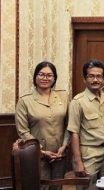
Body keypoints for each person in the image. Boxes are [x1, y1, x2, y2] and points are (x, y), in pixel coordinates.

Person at [15, 61, 69, 190]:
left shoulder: (63, 96)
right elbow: (23, 131)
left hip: (60, 155)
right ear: (35, 77)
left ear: (54, 78)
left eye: (49, 75)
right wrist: (42, 152)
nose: (45, 78)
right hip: (37, 156)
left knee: (57, 187)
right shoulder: (25, 100)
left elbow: (69, 124)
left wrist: (64, 145)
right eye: (41, 74)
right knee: (40, 187)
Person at [67, 59, 104, 189]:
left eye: (99, 76)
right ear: (84, 79)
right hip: (89, 154)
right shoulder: (78, 102)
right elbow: (74, 133)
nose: (95, 80)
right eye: (91, 76)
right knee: (87, 187)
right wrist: (78, 162)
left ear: (103, 79)